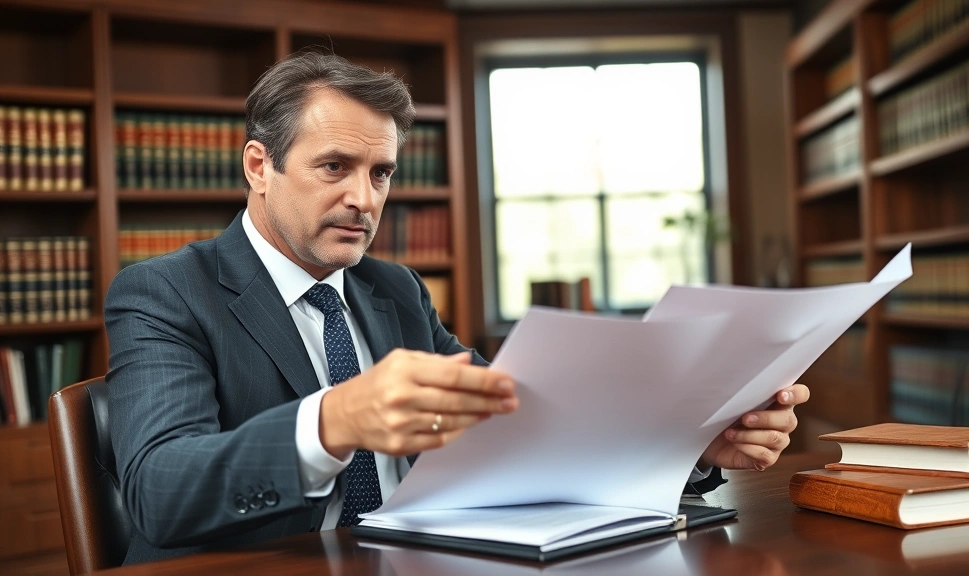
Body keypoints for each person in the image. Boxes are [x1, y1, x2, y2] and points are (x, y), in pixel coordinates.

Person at [105, 51, 810, 565]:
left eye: (380, 173)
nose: (365, 198)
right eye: (334, 168)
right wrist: (337, 419)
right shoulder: (165, 292)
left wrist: (690, 443)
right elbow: (162, 491)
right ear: (259, 166)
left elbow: (523, 426)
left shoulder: (395, 291)